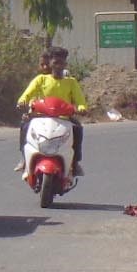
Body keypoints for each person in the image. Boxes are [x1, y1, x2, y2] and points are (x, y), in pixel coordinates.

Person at [15, 45, 89, 183]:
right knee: (24, 126)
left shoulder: (71, 82)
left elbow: (80, 101)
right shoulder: (40, 80)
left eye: (62, 63)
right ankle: (24, 158)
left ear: (65, 64)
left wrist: (81, 107)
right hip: (40, 117)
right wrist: (22, 102)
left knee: (78, 129)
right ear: (50, 63)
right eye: (56, 63)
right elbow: (26, 94)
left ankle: (75, 162)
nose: (59, 66)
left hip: (64, 119)